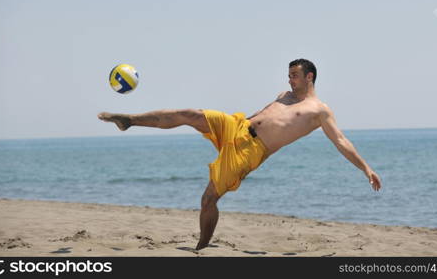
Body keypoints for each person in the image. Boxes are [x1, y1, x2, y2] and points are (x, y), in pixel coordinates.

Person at [98, 58, 382, 250]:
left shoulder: (318, 111)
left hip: (251, 151)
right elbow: (263, 114)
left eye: (295, 75)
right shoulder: (285, 94)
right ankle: (129, 120)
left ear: (309, 77)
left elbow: (341, 140)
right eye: (289, 75)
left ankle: (202, 247)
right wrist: (239, 124)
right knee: (190, 114)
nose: (290, 79)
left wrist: (366, 168)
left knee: (209, 198)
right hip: (238, 126)